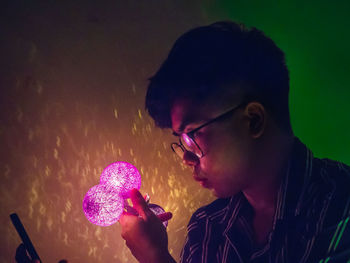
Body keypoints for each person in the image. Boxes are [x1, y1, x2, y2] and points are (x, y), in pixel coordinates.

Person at [119, 21, 350, 263]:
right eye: (181, 141)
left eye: (192, 134)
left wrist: (154, 257)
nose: (187, 159)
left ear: (253, 120)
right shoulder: (208, 226)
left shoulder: (340, 207)